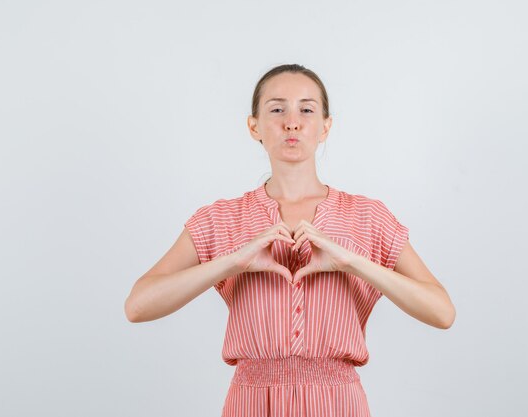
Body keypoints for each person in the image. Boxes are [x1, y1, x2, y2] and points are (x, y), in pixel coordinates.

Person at [124, 63, 456, 416]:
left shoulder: (368, 216)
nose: (292, 122)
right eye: (277, 109)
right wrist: (233, 262)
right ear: (254, 126)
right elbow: (138, 305)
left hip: (338, 403)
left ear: (326, 126)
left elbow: (442, 311)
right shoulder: (220, 219)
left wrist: (353, 262)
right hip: (250, 403)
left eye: (307, 109)